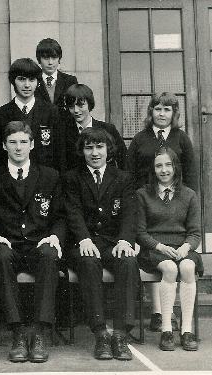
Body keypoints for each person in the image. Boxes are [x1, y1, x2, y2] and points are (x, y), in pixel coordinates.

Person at [0, 121, 65, 363]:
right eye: (13, 142)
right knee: (1, 255)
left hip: (39, 244)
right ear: (4, 146)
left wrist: (55, 237)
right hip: (9, 245)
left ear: (33, 145)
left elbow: (59, 217)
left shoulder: (50, 176)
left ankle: (39, 332)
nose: (19, 148)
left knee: (50, 254)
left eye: (24, 142)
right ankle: (17, 333)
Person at [63, 127, 139, 361]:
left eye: (99, 147)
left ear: (108, 149)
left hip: (112, 242)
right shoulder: (72, 178)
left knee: (128, 260)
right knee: (88, 261)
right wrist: (84, 238)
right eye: (89, 147)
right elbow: (72, 212)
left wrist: (125, 240)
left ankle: (120, 333)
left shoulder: (122, 177)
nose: (95, 153)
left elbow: (129, 213)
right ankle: (100, 333)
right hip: (83, 242)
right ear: (82, 151)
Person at [126, 92, 197, 332]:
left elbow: (191, 177)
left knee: (179, 264)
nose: (162, 114)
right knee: (157, 257)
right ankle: (157, 313)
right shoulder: (140, 139)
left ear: (174, 114)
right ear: (151, 112)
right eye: (157, 109)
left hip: (174, 205)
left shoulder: (182, 139)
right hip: (146, 205)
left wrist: (186, 204)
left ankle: (170, 313)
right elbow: (130, 174)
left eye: (167, 110)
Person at [136, 147, 202, 351]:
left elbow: (195, 233)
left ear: (175, 167)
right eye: (158, 166)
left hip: (182, 247)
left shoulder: (189, 195)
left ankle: (187, 330)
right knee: (171, 269)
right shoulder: (142, 194)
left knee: (188, 268)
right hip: (154, 249)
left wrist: (185, 248)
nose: (163, 170)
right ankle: (166, 329)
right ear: (153, 169)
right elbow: (140, 232)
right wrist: (160, 247)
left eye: (168, 165)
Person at [0, 58, 63, 170]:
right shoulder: (0, 114)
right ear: (13, 81)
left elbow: (59, 152)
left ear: (37, 82)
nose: (27, 85)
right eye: (21, 79)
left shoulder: (51, 112)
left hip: (44, 179)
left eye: (31, 80)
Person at [63, 84, 126, 171]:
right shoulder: (63, 131)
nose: (76, 110)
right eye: (71, 107)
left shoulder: (108, 129)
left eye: (81, 105)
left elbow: (123, 159)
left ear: (90, 104)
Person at [34, 38, 78, 110]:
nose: (50, 62)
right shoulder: (33, 80)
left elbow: (74, 107)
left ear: (59, 59)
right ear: (39, 59)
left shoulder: (70, 81)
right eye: (46, 58)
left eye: (54, 58)